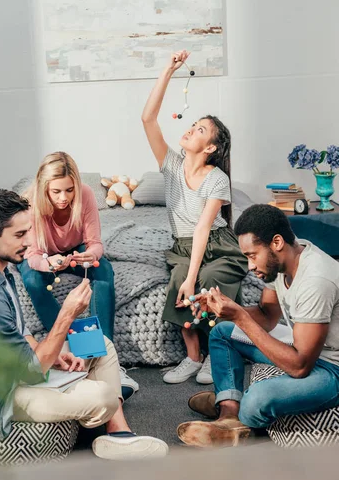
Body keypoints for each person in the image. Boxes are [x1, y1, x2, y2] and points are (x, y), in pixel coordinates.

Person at [0, 189, 168, 460]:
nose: (29, 242)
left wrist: (56, 355)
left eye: (29, 231)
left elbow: (19, 334)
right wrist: (67, 313)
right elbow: (32, 369)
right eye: (19, 235)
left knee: (101, 344)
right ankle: (101, 412)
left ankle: (118, 434)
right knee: (105, 395)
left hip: (10, 368)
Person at [177, 204, 339, 448]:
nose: (250, 266)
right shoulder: (282, 262)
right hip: (305, 346)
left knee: (258, 399)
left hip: (332, 368)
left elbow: (299, 367)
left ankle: (239, 410)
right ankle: (229, 412)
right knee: (222, 333)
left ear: (276, 243)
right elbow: (267, 316)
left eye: (252, 255)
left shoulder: (315, 279)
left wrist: (241, 316)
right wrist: (227, 310)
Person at [141, 50, 247, 385]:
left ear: (211, 148)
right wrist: (167, 72)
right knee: (178, 285)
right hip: (184, 246)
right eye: (192, 125)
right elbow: (148, 119)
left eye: (199, 129)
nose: (190, 130)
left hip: (217, 245)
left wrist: (193, 276)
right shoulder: (171, 164)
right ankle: (192, 356)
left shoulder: (217, 178)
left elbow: (203, 228)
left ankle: (215, 354)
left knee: (208, 281)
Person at [17, 151, 138, 395]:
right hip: (41, 256)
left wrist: (91, 255)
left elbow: (94, 242)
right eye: (56, 192)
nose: (64, 198)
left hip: (74, 250)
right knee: (31, 279)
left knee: (102, 268)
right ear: (44, 189)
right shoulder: (31, 204)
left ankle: (104, 359)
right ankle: (70, 345)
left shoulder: (86, 194)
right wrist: (48, 263)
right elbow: (32, 256)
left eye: (69, 190)